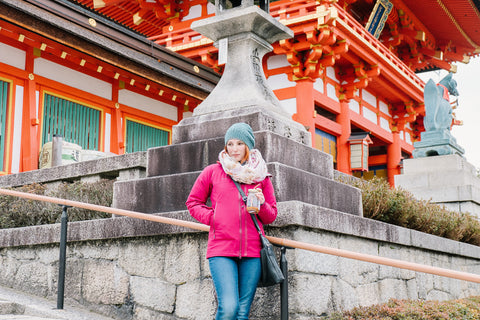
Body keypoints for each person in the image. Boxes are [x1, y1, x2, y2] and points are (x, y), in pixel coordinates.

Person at [186, 122, 278, 320]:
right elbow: (193, 203)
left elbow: (271, 215)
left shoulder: (261, 176)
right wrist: (213, 217)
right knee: (228, 309)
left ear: (248, 146)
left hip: (253, 252)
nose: (234, 149)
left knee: (243, 313)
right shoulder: (213, 171)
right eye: (230, 144)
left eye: (239, 143)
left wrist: (261, 204)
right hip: (221, 249)